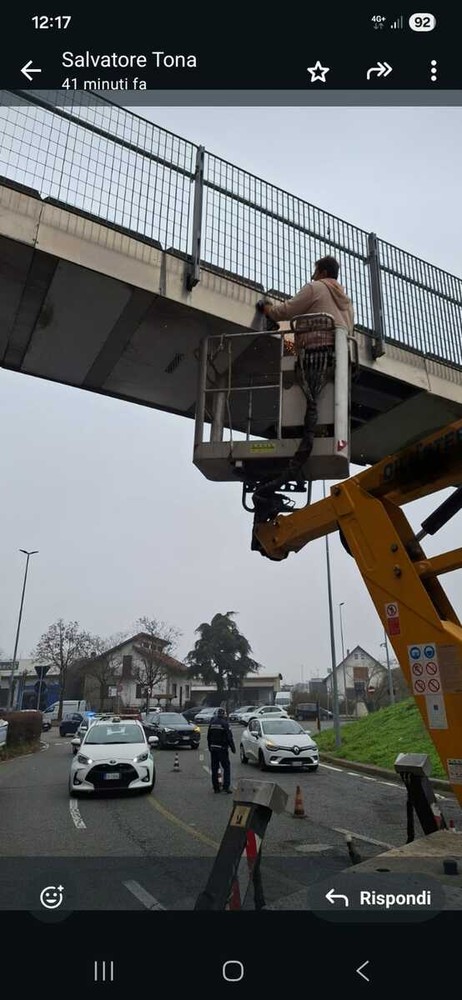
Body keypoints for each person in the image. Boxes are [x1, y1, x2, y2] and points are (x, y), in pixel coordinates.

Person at [259, 255, 354, 342]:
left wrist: (269, 310)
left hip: (315, 347)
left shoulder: (316, 287)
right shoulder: (348, 303)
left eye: (316, 273)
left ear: (324, 273)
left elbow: (288, 310)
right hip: (342, 353)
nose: (313, 277)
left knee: (288, 348)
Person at [207, 707, 236, 793]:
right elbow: (229, 737)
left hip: (213, 748)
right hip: (222, 749)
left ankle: (216, 788)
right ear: (223, 714)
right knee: (226, 767)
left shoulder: (212, 723)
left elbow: (208, 736)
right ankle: (226, 787)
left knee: (214, 768)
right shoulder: (225, 724)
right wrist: (233, 748)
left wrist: (209, 747)